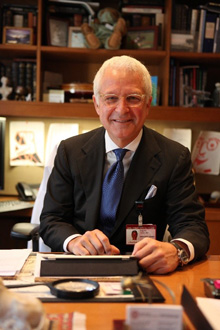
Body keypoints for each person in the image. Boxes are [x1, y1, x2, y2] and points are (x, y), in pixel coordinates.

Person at [40, 55, 210, 274]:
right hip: (80, 269)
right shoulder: (69, 151)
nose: (122, 109)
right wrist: (74, 241)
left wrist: (177, 251)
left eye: (133, 98)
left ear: (148, 104)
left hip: (143, 272)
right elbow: (52, 220)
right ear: (97, 104)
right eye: (111, 98)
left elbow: (193, 227)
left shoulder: (174, 157)